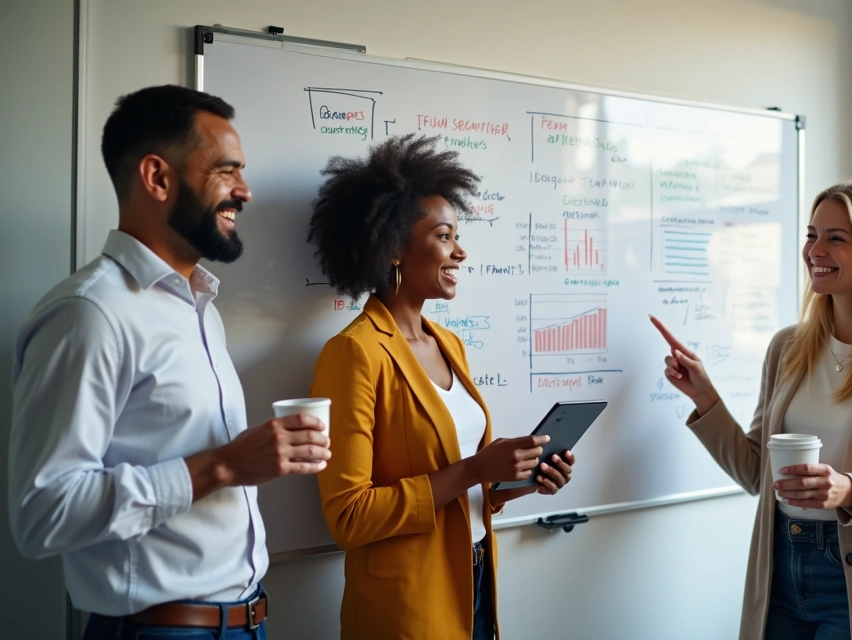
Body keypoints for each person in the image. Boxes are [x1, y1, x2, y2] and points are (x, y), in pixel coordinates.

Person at [8, 85, 331, 640]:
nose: (245, 191)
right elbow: (42, 514)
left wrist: (252, 457)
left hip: (246, 622)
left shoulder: (200, 307)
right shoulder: (89, 314)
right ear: (157, 178)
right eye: (226, 171)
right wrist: (224, 466)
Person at [652, 180, 852, 640]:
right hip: (779, 569)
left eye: (836, 238)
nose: (815, 249)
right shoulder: (787, 348)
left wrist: (848, 489)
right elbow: (757, 473)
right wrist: (705, 398)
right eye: (812, 234)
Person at [308, 133, 575, 640]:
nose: (461, 252)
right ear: (394, 250)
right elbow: (349, 517)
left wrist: (513, 480)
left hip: (474, 578)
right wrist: (476, 467)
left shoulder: (448, 342)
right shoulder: (354, 353)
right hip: (407, 606)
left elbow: (457, 487)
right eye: (445, 236)